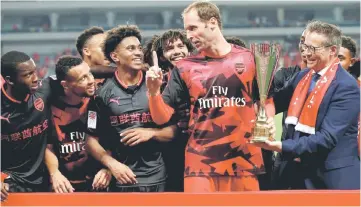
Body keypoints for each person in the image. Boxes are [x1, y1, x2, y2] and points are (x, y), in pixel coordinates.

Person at [146, 1, 275, 192]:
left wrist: (268, 120)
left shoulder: (250, 59)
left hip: (244, 161)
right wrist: (154, 92)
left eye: (193, 28)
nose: (189, 35)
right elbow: (161, 117)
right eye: (186, 29)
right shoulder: (185, 67)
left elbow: (266, 101)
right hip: (200, 164)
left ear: (212, 23)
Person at [254, 20, 360, 189]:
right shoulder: (302, 77)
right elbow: (276, 101)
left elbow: (327, 138)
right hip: (298, 176)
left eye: (313, 49)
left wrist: (281, 146)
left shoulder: (346, 86)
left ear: (333, 50)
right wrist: (264, 116)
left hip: (332, 178)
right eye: (304, 46)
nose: (306, 53)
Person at [85, 25, 176, 192]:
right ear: (115, 56)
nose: (138, 53)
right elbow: (90, 139)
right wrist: (110, 164)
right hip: (121, 179)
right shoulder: (101, 94)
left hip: (158, 178)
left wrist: (151, 133)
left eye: (139, 48)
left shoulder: (159, 85)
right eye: (131, 48)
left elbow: (176, 130)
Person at [45, 56, 111, 193]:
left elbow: (110, 141)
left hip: (95, 185)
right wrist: (54, 173)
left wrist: (107, 168)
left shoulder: (98, 102)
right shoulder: (49, 108)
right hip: (62, 187)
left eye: (90, 74)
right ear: (65, 85)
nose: (91, 81)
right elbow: (48, 146)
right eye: (83, 78)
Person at [1, 51, 55, 201]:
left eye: (35, 71)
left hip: (45, 182)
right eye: (27, 75)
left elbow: (79, 71)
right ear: (10, 80)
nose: (36, 78)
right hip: (10, 185)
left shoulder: (44, 89)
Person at [151, 29, 194, 192]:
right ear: (162, 56)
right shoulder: (156, 80)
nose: (177, 51)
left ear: (189, 48)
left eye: (180, 46)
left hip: (201, 147)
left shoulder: (203, 74)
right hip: (171, 150)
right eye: (170, 48)